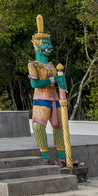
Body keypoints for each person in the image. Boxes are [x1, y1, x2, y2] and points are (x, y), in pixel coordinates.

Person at [28, 15, 67, 165]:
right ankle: (45, 158)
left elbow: (60, 84)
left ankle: (62, 157)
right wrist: (53, 80)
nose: (49, 47)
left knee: (59, 127)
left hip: (55, 99)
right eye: (45, 44)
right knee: (38, 126)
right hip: (41, 99)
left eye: (49, 44)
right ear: (36, 45)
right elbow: (34, 84)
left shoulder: (52, 65)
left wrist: (62, 83)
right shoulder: (33, 65)